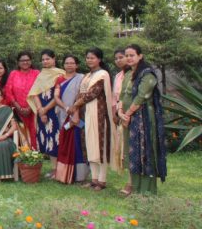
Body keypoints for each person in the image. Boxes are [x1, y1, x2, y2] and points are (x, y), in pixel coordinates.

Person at [118, 44, 167, 195]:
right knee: (131, 152)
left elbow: (141, 97)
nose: (128, 58)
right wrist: (120, 112)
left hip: (143, 119)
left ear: (140, 56)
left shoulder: (147, 75)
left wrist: (128, 114)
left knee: (145, 152)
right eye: (126, 55)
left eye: (132, 55)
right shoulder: (127, 74)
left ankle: (146, 190)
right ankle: (134, 186)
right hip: (128, 118)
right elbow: (121, 96)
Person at [69, 47, 117, 191]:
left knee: (99, 146)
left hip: (99, 115)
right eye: (88, 57)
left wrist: (75, 106)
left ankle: (102, 181)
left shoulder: (103, 74)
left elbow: (92, 93)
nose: (89, 60)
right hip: (86, 114)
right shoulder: (87, 75)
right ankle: (94, 179)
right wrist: (76, 108)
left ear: (99, 59)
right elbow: (80, 93)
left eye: (93, 57)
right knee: (90, 146)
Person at [28, 50, 65, 176]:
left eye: (47, 59)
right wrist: (41, 111)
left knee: (56, 139)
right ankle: (53, 168)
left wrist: (46, 109)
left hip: (55, 110)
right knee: (46, 140)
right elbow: (35, 94)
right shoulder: (41, 75)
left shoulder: (60, 74)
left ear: (54, 59)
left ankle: (58, 170)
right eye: (43, 59)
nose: (45, 61)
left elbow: (58, 96)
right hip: (42, 111)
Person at [54, 55, 89, 184]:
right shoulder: (59, 79)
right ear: (63, 65)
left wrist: (75, 110)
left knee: (77, 142)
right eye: (67, 63)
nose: (69, 65)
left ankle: (79, 175)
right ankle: (65, 174)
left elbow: (83, 96)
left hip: (77, 114)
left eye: (72, 63)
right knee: (64, 142)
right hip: (63, 114)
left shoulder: (82, 78)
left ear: (77, 65)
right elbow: (56, 97)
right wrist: (66, 107)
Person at [6, 51, 40, 148]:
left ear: (31, 61)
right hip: (17, 112)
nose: (25, 62)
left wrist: (30, 108)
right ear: (18, 62)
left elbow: (39, 91)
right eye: (22, 60)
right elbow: (8, 92)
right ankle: (21, 159)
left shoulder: (36, 73)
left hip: (33, 111)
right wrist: (18, 107)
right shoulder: (13, 74)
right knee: (20, 135)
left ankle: (34, 158)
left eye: (27, 60)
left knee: (33, 133)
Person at [111, 48, 127, 171]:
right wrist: (114, 114)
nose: (118, 60)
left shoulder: (134, 74)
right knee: (121, 145)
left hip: (130, 112)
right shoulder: (118, 76)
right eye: (116, 58)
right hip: (119, 113)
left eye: (121, 57)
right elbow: (114, 97)